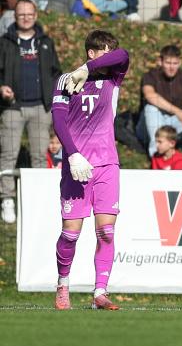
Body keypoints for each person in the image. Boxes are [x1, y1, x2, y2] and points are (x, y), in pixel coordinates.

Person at [50, 30, 129, 310]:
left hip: (107, 165)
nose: (111, 56)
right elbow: (58, 122)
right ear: (91, 51)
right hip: (77, 166)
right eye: (104, 51)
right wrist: (72, 156)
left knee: (106, 232)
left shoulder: (113, 76)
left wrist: (87, 68)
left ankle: (100, 292)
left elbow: (124, 55)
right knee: (70, 233)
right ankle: (63, 284)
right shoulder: (65, 81)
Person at [0, 0, 62, 224]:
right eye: (21, 14)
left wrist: (55, 97)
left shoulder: (46, 42)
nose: (25, 17)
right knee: (9, 154)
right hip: (13, 107)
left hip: (40, 107)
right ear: (15, 17)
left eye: (29, 14)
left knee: (38, 156)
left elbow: (56, 72)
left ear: (36, 15)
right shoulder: (5, 42)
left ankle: (38, 199)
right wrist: (1, 87)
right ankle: (7, 198)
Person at [139, 44, 182, 166]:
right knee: (151, 108)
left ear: (180, 62)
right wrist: (179, 112)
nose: (172, 67)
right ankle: (156, 154)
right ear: (160, 61)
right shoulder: (150, 76)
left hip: (173, 124)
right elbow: (150, 95)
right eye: (168, 63)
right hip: (149, 126)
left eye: (175, 63)